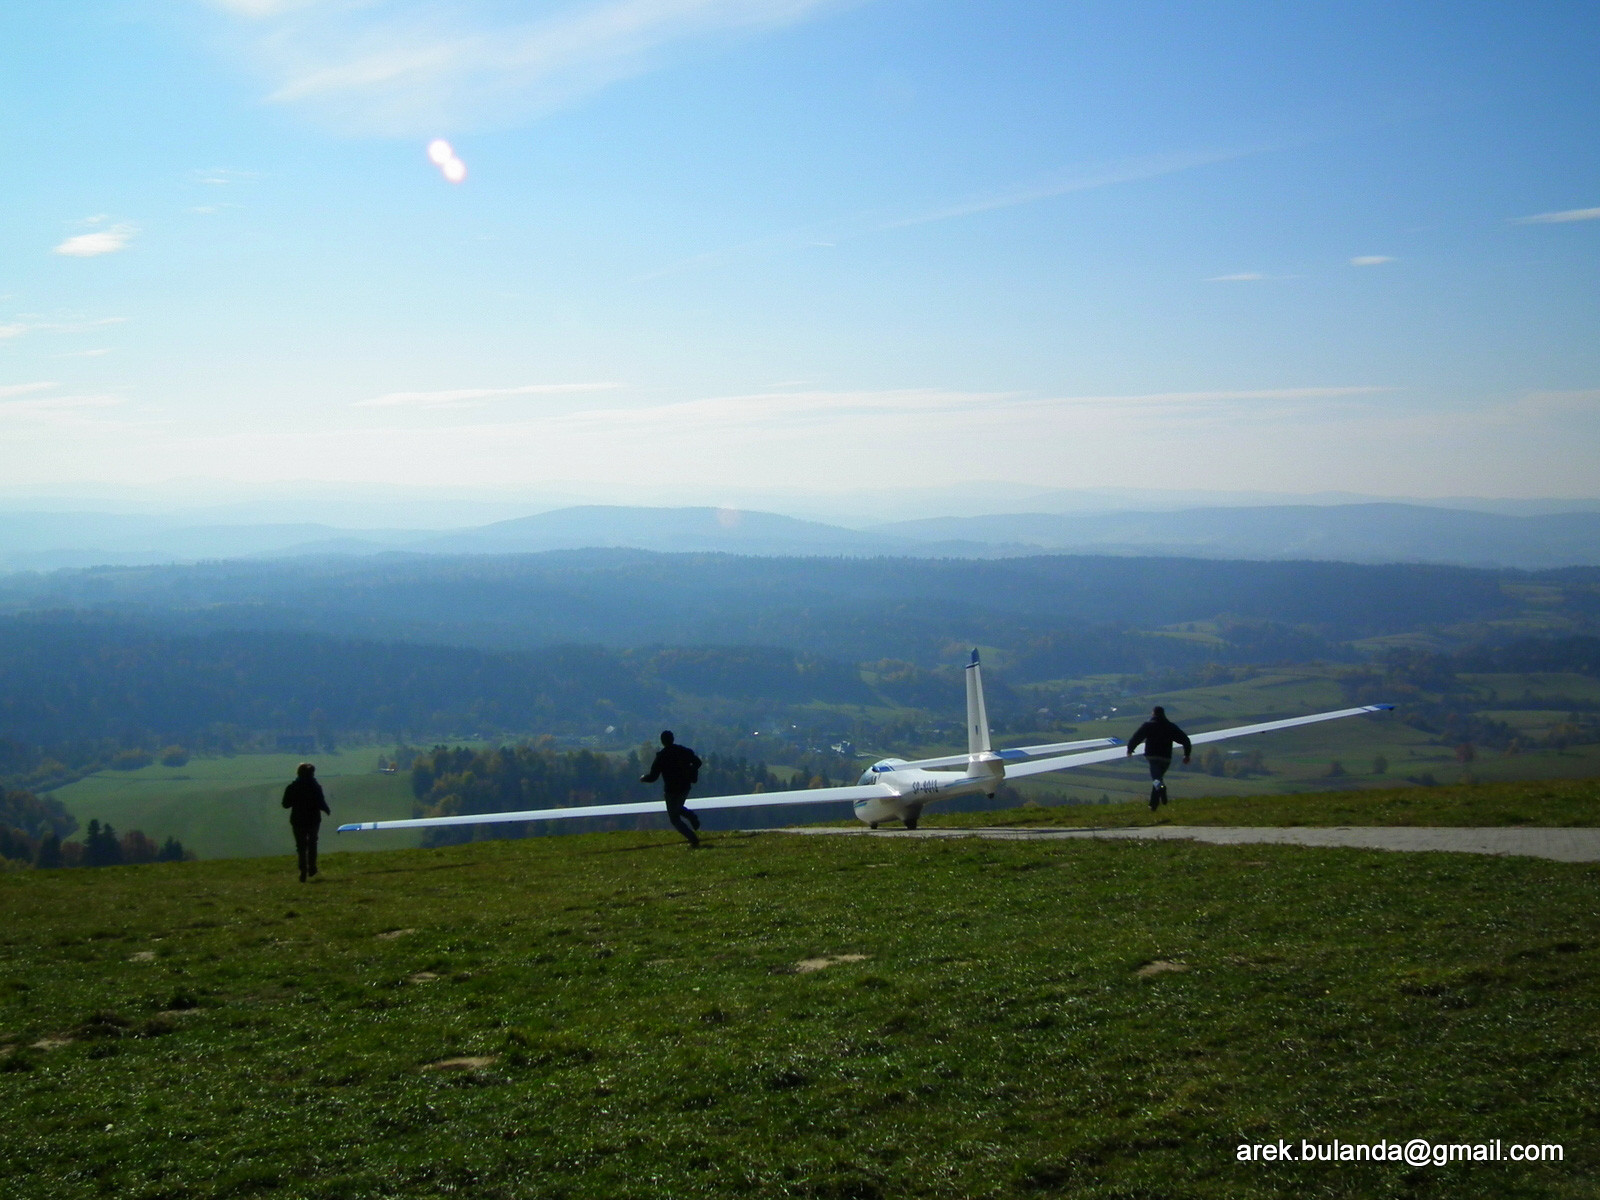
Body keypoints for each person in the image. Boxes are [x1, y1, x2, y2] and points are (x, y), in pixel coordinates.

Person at [640, 730, 704, 847]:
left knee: (674, 818)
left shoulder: (661, 756)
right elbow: (698, 762)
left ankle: (693, 839)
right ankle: (691, 817)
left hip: (671, 790)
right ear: (673, 739)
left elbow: (653, 777)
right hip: (685, 786)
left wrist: (643, 778)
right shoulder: (683, 751)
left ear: (662, 741)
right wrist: (690, 771)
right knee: (678, 807)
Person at [1126, 706, 1192, 812]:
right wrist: (1186, 755)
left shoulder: (1148, 725)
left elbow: (1136, 738)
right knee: (1158, 779)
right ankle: (1153, 805)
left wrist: (1130, 749)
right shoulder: (1170, 727)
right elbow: (1185, 740)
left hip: (1152, 756)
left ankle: (1161, 790)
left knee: (1157, 780)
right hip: (1166, 758)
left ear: (1153, 713)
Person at [282, 762, 330, 881]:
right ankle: (312, 867)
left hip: (298, 819)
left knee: (301, 846)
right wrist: (326, 809)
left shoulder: (292, 787)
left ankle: (303, 870)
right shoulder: (315, 787)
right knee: (312, 843)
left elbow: (285, 804)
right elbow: (321, 802)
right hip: (313, 819)